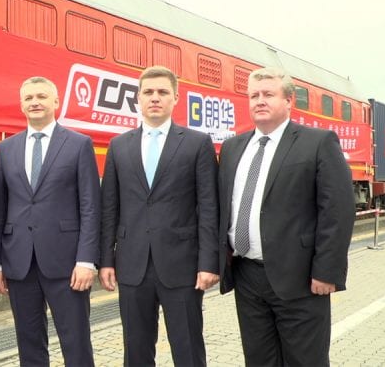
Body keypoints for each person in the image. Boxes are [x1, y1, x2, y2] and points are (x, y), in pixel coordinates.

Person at [218, 67, 354, 366]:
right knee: (258, 360)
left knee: (305, 360)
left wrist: (327, 271)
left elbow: (337, 210)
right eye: (254, 95)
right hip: (247, 276)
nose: (259, 101)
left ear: (289, 100)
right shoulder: (232, 148)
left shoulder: (317, 142)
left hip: (301, 278)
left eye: (268, 94)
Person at [99, 65, 219, 366]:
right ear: (137, 98)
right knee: (136, 351)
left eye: (163, 92)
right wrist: (106, 260)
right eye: (148, 92)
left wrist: (208, 263)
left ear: (175, 97)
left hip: (183, 265)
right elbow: (109, 207)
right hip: (132, 264)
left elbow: (207, 207)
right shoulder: (119, 146)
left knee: (188, 348)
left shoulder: (197, 143)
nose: (155, 98)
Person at [0, 76, 101, 366]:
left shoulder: (78, 144)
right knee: (28, 343)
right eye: (28, 98)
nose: (35, 102)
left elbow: (90, 206)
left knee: (75, 341)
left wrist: (86, 260)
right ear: (21, 105)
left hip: (67, 263)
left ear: (56, 102)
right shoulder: (6, 149)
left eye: (41, 96)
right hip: (19, 261)